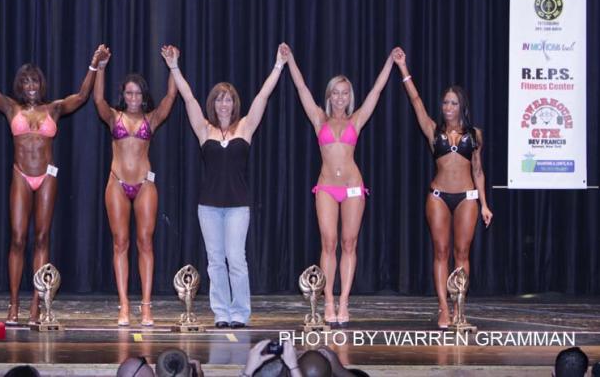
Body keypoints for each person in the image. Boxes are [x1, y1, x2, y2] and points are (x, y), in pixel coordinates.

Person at [0, 34, 104, 324]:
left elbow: (83, 95)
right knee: (18, 238)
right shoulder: (12, 107)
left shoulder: (54, 108)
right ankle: (13, 304)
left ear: (41, 84)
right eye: (25, 82)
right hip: (21, 175)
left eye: (35, 81)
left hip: (47, 176)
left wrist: (94, 65)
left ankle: (37, 303)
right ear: (19, 86)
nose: (31, 86)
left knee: (42, 238)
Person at [162, 44, 286, 328]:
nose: (223, 104)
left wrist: (279, 64)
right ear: (213, 104)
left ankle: (240, 313)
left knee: (236, 260)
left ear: (234, 103)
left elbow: (263, 96)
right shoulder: (204, 129)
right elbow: (188, 97)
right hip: (208, 206)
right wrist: (174, 67)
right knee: (215, 261)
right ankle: (221, 313)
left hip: (238, 206)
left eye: (228, 99)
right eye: (219, 99)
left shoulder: (245, 127)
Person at [284, 43, 394, 326]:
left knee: (348, 243)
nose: (340, 97)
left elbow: (376, 91)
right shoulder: (318, 118)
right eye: (336, 92)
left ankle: (344, 300)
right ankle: (329, 300)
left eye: (345, 93)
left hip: (353, 186)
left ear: (350, 97)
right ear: (329, 95)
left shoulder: (356, 120)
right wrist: (290, 59)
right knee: (329, 242)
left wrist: (390, 62)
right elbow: (301, 88)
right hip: (326, 188)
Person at [393, 47, 492, 328]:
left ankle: (459, 306)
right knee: (441, 251)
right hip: (438, 197)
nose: (448, 108)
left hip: (467, 198)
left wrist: (484, 204)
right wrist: (403, 67)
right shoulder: (432, 130)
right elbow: (415, 100)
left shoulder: (475, 135)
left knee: (462, 254)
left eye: (453, 103)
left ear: (462, 106)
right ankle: (443, 308)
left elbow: (478, 171)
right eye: (445, 103)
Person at [93, 46, 178, 326]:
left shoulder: (150, 119)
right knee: (120, 243)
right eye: (129, 93)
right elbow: (97, 99)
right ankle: (124, 305)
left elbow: (170, 97)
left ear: (143, 96)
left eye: (138, 93)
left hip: (144, 184)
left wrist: (173, 66)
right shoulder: (113, 117)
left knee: (145, 243)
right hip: (117, 182)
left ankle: (146, 306)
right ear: (123, 95)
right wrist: (101, 67)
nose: (133, 98)